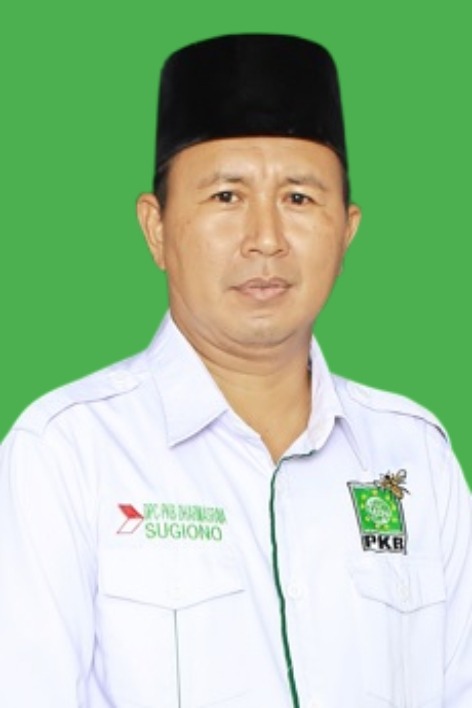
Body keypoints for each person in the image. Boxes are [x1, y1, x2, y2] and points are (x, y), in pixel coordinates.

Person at [0, 33, 471, 708]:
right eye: (226, 196)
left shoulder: (415, 457)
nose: (266, 239)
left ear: (347, 230)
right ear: (156, 228)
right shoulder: (67, 455)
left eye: (299, 199)